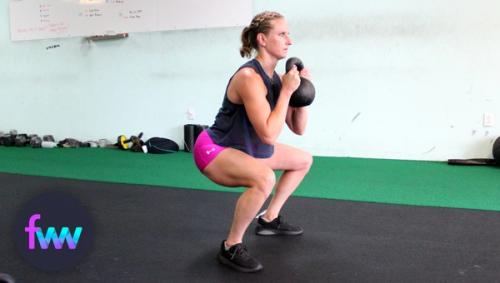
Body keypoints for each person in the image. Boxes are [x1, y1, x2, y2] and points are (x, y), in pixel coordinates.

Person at [193, 11, 313, 273]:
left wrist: (302, 94)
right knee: (265, 178)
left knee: (303, 160)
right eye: (281, 34)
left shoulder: (277, 79)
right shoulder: (249, 78)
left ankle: (269, 219)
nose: (289, 41)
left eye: (288, 34)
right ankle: (231, 245)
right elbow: (269, 135)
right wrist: (288, 92)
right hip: (215, 149)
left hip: (245, 147)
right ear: (262, 39)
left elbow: (298, 128)